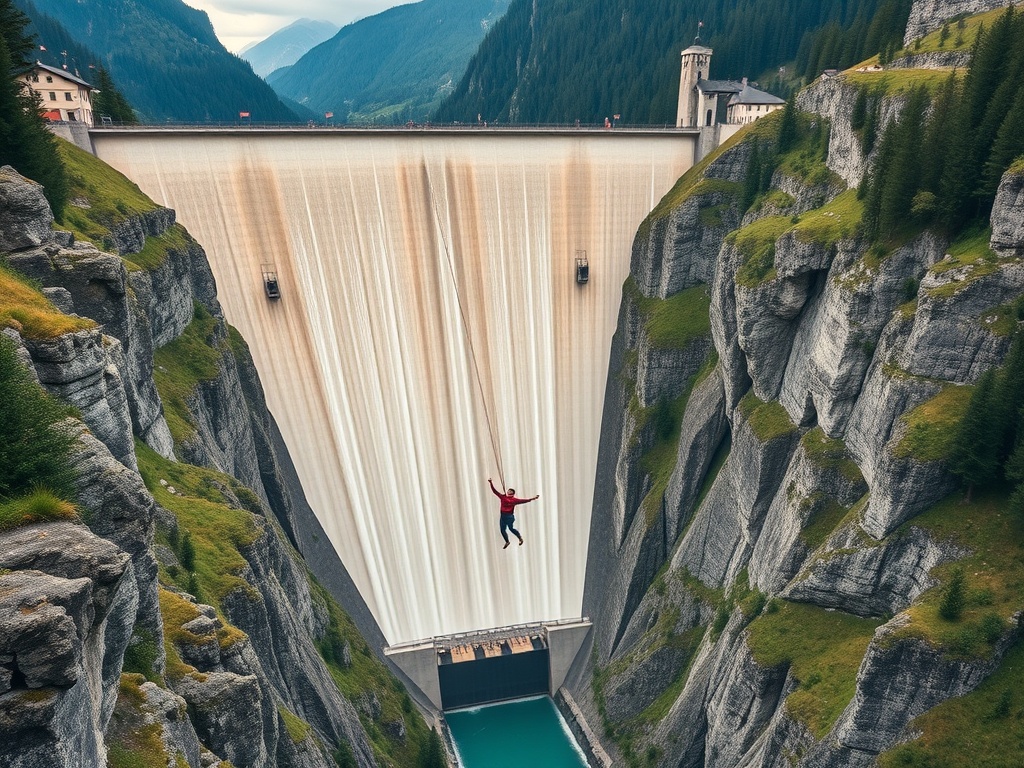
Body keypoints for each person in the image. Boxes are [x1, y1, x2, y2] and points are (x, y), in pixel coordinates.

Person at [488, 478, 538, 548]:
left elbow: (523, 500)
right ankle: (507, 541)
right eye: (508, 490)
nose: (508, 491)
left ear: (512, 493)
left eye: (510, 491)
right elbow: (495, 491)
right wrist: (491, 483)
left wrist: (532, 498)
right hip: (503, 516)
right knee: (502, 530)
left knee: (510, 529)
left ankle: (519, 538)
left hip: (509, 516)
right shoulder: (503, 497)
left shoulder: (514, 500)